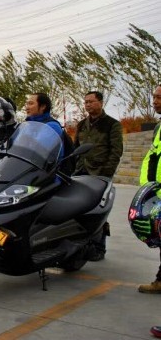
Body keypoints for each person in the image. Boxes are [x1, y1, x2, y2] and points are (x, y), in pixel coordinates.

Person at [73, 91, 123, 261]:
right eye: (86, 102)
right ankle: (81, 247)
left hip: (99, 174)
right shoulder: (81, 124)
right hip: (80, 172)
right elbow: (75, 148)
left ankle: (99, 247)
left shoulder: (112, 125)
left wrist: (106, 173)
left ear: (101, 103)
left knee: (98, 211)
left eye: (91, 101)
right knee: (79, 210)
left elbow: (116, 151)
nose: (88, 105)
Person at [137, 84, 161, 294]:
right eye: (154, 97)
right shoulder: (159, 127)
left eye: (159, 97)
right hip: (157, 192)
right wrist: (147, 185)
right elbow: (153, 157)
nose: (155, 101)